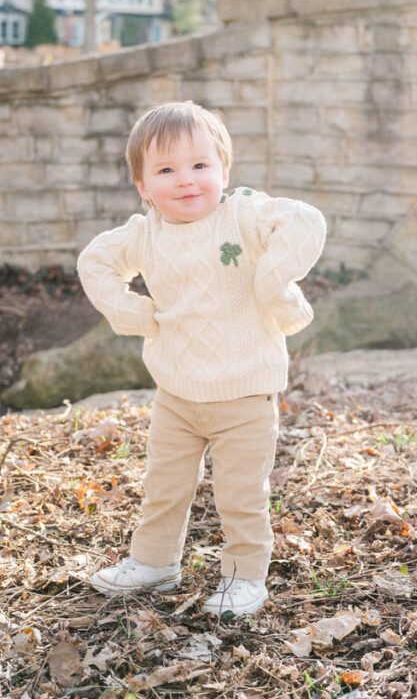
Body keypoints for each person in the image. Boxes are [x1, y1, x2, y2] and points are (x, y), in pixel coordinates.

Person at [76, 100, 326, 616]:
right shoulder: (146, 233)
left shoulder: (242, 214)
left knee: (240, 495)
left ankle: (243, 578)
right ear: (143, 187)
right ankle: (154, 563)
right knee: (164, 487)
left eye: (200, 165)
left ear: (223, 171)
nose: (186, 180)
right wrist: (135, 314)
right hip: (177, 394)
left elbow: (304, 221)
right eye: (166, 170)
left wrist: (272, 279)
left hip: (245, 393)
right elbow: (95, 261)